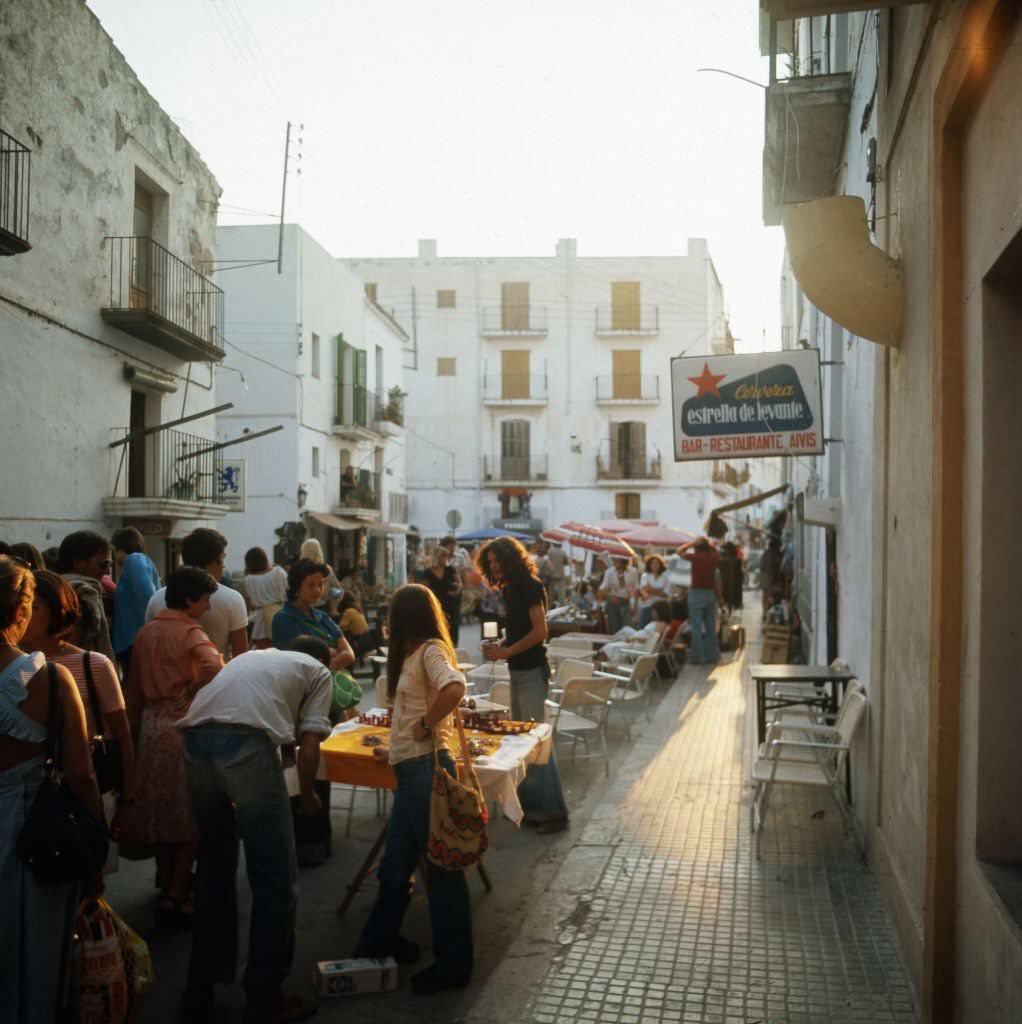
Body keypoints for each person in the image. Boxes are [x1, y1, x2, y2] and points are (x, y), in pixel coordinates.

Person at [178, 638, 334, 1023]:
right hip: (244, 744)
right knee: (275, 879)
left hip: (194, 740)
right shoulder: (318, 671)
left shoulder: (256, 658)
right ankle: (265, 996)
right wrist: (310, 794)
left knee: (214, 871)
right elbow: (309, 746)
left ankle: (200, 991)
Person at [352, 584, 473, 994]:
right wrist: (399, 740)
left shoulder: (429, 651)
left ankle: (454, 963)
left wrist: (423, 729)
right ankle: (378, 941)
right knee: (394, 867)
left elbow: (455, 688)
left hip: (424, 769)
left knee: (439, 871)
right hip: (410, 769)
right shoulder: (412, 655)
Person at [0, 556, 102, 1023]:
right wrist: (94, 850)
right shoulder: (52, 679)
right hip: (35, 839)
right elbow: (81, 774)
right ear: (21, 613)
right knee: (37, 955)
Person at [117, 566, 224, 929]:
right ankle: (175, 893)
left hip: (149, 726)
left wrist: (130, 735)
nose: (208, 607)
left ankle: (165, 881)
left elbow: (131, 690)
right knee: (187, 816)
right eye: (206, 599)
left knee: (160, 811)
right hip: (180, 726)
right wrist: (190, 692)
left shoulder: (146, 633)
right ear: (191, 599)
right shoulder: (191, 631)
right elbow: (215, 665)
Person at [477, 536, 569, 834]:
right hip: (520, 671)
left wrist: (505, 652)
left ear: (509, 559)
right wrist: (500, 644)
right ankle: (532, 807)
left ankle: (553, 812)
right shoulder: (512, 589)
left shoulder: (529, 585)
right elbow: (522, 630)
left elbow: (540, 631)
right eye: (489, 563)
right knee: (524, 741)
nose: (493, 567)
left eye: (496, 561)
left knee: (537, 742)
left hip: (531, 671)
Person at [21, 571, 134, 812]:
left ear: (56, 609)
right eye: (20, 606)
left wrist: (127, 799)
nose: (25, 615)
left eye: (35, 606)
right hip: (23, 794)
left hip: (89, 789)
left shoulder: (94, 664)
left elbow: (122, 736)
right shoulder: (12, 666)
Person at [146, 528, 249, 660]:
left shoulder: (156, 598)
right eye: (222, 559)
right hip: (216, 678)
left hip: (167, 679)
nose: (224, 566)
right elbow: (240, 657)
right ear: (212, 562)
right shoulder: (232, 599)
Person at [271, 559, 356, 672]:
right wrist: (334, 655)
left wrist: (328, 664)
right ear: (296, 588)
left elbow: (350, 654)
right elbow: (302, 661)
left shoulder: (323, 617)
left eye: (320, 584)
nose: (317, 590)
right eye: (311, 585)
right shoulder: (283, 619)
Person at [57, 529, 116, 661]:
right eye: (102, 564)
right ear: (77, 562)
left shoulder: (54, 587)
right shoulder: (84, 593)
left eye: (109, 564)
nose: (106, 571)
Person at [111, 526, 161, 674]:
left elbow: (148, 594)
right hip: (133, 641)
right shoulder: (137, 563)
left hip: (134, 641)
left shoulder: (134, 560)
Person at [677, 538, 722, 665]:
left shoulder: (695, 557)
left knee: (696, 626)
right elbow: (716, 550)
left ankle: (697, 657)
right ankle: (712, 656)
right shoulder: (714, 556)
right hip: (709, 594)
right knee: (710, 626)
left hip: (696, 593)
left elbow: (678, 551)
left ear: (697, 547)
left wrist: (690, 543)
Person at [241, 546, 288, 650]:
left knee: (264, 653)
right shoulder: (278, 572)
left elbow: (252, 602)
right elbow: (288, 589)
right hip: (281, 613)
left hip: (260, 620)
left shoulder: (249, 580)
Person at [597, 599, 672, 665]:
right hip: (639, 643)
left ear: (659, 611)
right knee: (621, 634)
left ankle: (596, 669)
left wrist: (633, 638)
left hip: (640, 646)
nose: (652, 613)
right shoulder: (660, 623)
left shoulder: (661, 624)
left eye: (654, 611)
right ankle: (599, 666)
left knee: (609, 647)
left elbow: (653, 640)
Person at [418, 546, 461, 641]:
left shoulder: (450, 569)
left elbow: (459, 583)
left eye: (446, 556)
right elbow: (423, 589)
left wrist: (456, 592)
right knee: (437, 630)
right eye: (443, 556)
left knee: (452, 630)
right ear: (437, 557)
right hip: (435, 604)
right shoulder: (428, 572)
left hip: (450, 604)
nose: (445, 559)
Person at [439, 536, 469, 644]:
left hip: (456, 591)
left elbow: (464, 575)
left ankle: (454, 644)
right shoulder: (438, 558)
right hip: (442, 592)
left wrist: (464, 590)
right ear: (444, 546)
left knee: (455, 619)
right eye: (449, 545)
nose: (452, 548)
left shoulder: (460, 557)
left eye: (453, 545)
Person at [597, 555, 638, 634]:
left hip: (626, 602)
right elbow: (602, 589)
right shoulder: (609, 571)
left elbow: (636, 589)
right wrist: (610, 597)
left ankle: (626, 645)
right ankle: (614, 643)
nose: (614, 561)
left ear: (623, 560)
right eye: (614, 559)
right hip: (613, 602)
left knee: (627, 628)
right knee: (614, 628)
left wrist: (634, 606)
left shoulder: (633, 571)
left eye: (616, 560)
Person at [337, 591, 377, 657]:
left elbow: (341, 628)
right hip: (368, 640)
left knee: (342, 638)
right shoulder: (357, 610)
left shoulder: (349, 611)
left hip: (360, 643)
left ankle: (348, 663)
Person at [637, 555, 671, 627]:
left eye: (657, 563)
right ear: (649, 565)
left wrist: (651, 590)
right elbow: (645, 589)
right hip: (647, 605)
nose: (654, 565)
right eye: (652, 563)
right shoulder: (645, 576)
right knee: (644, 627)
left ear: (660, 565)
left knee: (657, 629)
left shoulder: (665, 577)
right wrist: (659, 590)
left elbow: (666, 593)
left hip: (660, 608)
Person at [718, 541, 744, 613]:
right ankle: (729, 612)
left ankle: (724, 613)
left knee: (722, 600)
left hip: (722, 582)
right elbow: (740, 576)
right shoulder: (737, 560)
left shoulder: (720, 559)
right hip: (733, 584)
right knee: (730, 601)